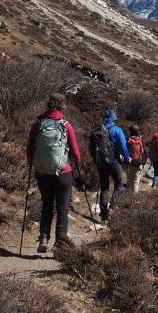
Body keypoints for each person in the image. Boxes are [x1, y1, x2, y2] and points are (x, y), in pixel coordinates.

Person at [26, 93, 80, 253]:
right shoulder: (66, 125)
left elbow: (29, 147)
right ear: (63, 105)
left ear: (48, 104)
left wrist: (32, 163)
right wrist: (77, 161)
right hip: (63, 173)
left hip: (43, 173)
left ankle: (43, 237)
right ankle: (60, 243)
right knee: (63, 208)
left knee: (47, 205)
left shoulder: (38, 124)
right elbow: (76, 151)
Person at [91, 109, 130, 221]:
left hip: (101, 163)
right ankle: (112, 209)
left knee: (104, 187)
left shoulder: (98, 131)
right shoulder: (117, 130)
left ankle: (103, 213)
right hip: (115, 162)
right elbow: (123, 146)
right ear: (114, 118)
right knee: (119, 185)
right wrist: (127, 158)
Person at [126, 125, 148, 193]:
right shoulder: (141, 140)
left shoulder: (129, 141)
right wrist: (144, 162)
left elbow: (125, 151)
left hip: (130, 162)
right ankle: (134, 198)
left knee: (130, 180)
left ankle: (129, 196)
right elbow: (145, 152)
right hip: (139, 162)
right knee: (136, 182)